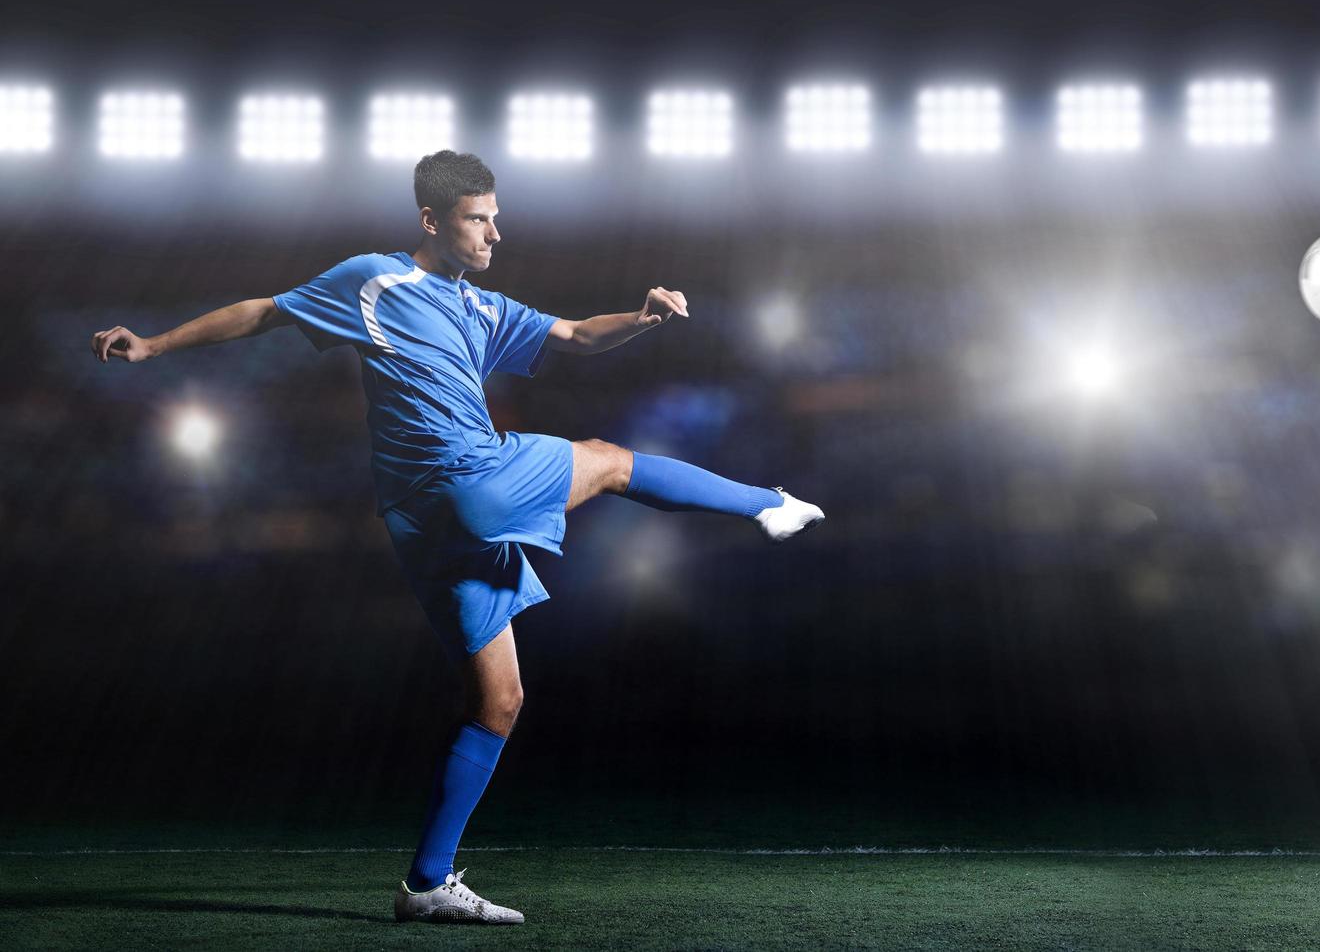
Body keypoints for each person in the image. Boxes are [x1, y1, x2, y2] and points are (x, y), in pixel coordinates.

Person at [87, 149, 824, 925]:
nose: (493, 234)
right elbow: (266, 310)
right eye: (479, 219)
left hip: (426, 528)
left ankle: (427, 884)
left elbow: (573, 334)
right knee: (608, 462)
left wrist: (638, 320)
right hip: (463, 481)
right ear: (432, 221)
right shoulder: (374, 280)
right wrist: (156, 346)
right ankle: (765, 503)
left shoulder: (480, 309)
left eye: (496, 218)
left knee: (499, 700)